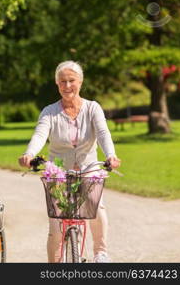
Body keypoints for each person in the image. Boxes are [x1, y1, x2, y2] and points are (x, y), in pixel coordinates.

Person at [18, 60, 121, 263]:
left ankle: (100, 253)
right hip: (57, 171)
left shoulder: (92, 108)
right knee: (56, 225)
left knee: (96, 204)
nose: (67, 86)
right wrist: (29, 154)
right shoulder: (49, 112)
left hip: (88, 168)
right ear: (57, 84)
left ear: (80, 82)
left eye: (71, 81)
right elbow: (40, 135)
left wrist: (111, 155)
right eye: (62, 82)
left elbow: (102, 133)